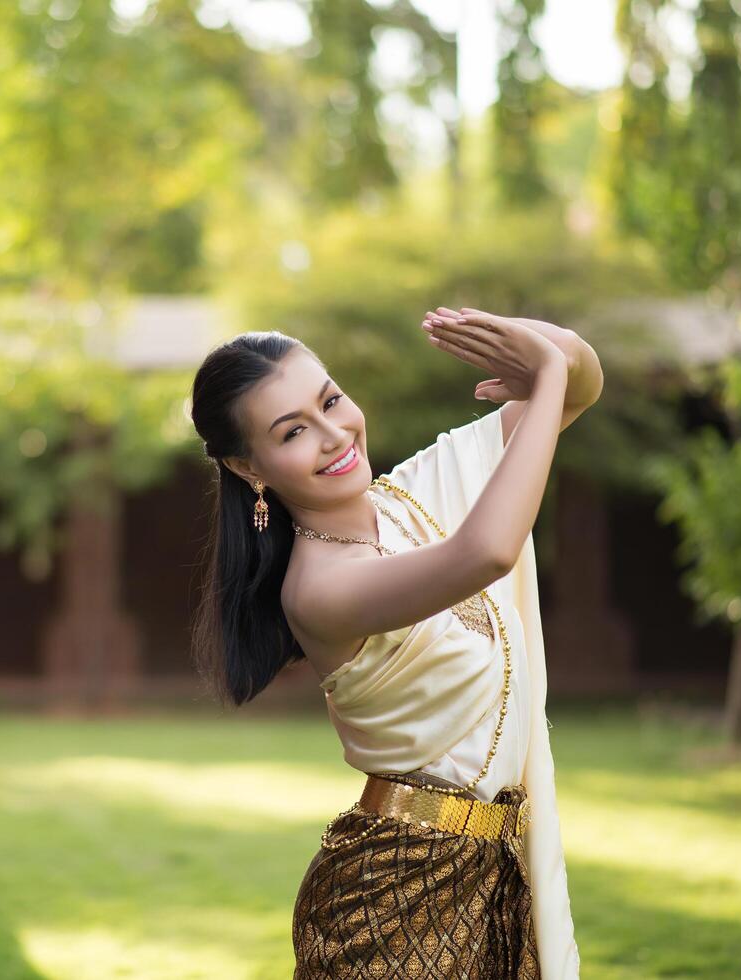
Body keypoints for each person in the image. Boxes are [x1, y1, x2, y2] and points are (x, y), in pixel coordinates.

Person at [187, 308, 601, 979]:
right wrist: (546, 372)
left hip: (496, 874)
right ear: (248, 467)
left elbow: (581, 385)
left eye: (330, 401)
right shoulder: (319, 588)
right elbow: (488, 551)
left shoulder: (417, 497)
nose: (333, 435)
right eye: (292, 431)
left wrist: (535, 346)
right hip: (395, 895)